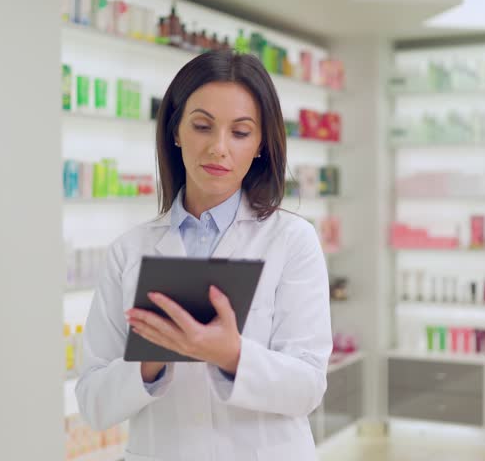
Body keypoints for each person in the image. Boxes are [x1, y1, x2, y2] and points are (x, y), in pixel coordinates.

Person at [76, 50, 333, 461]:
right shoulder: (129, 251)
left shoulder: (292, 241)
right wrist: (147, 363)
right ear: (176, 130)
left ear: (261, 144)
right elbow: (92, 401)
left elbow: (308, 387)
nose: (218, 148)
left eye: (240, 132)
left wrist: (231, 354)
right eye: (202, 126)